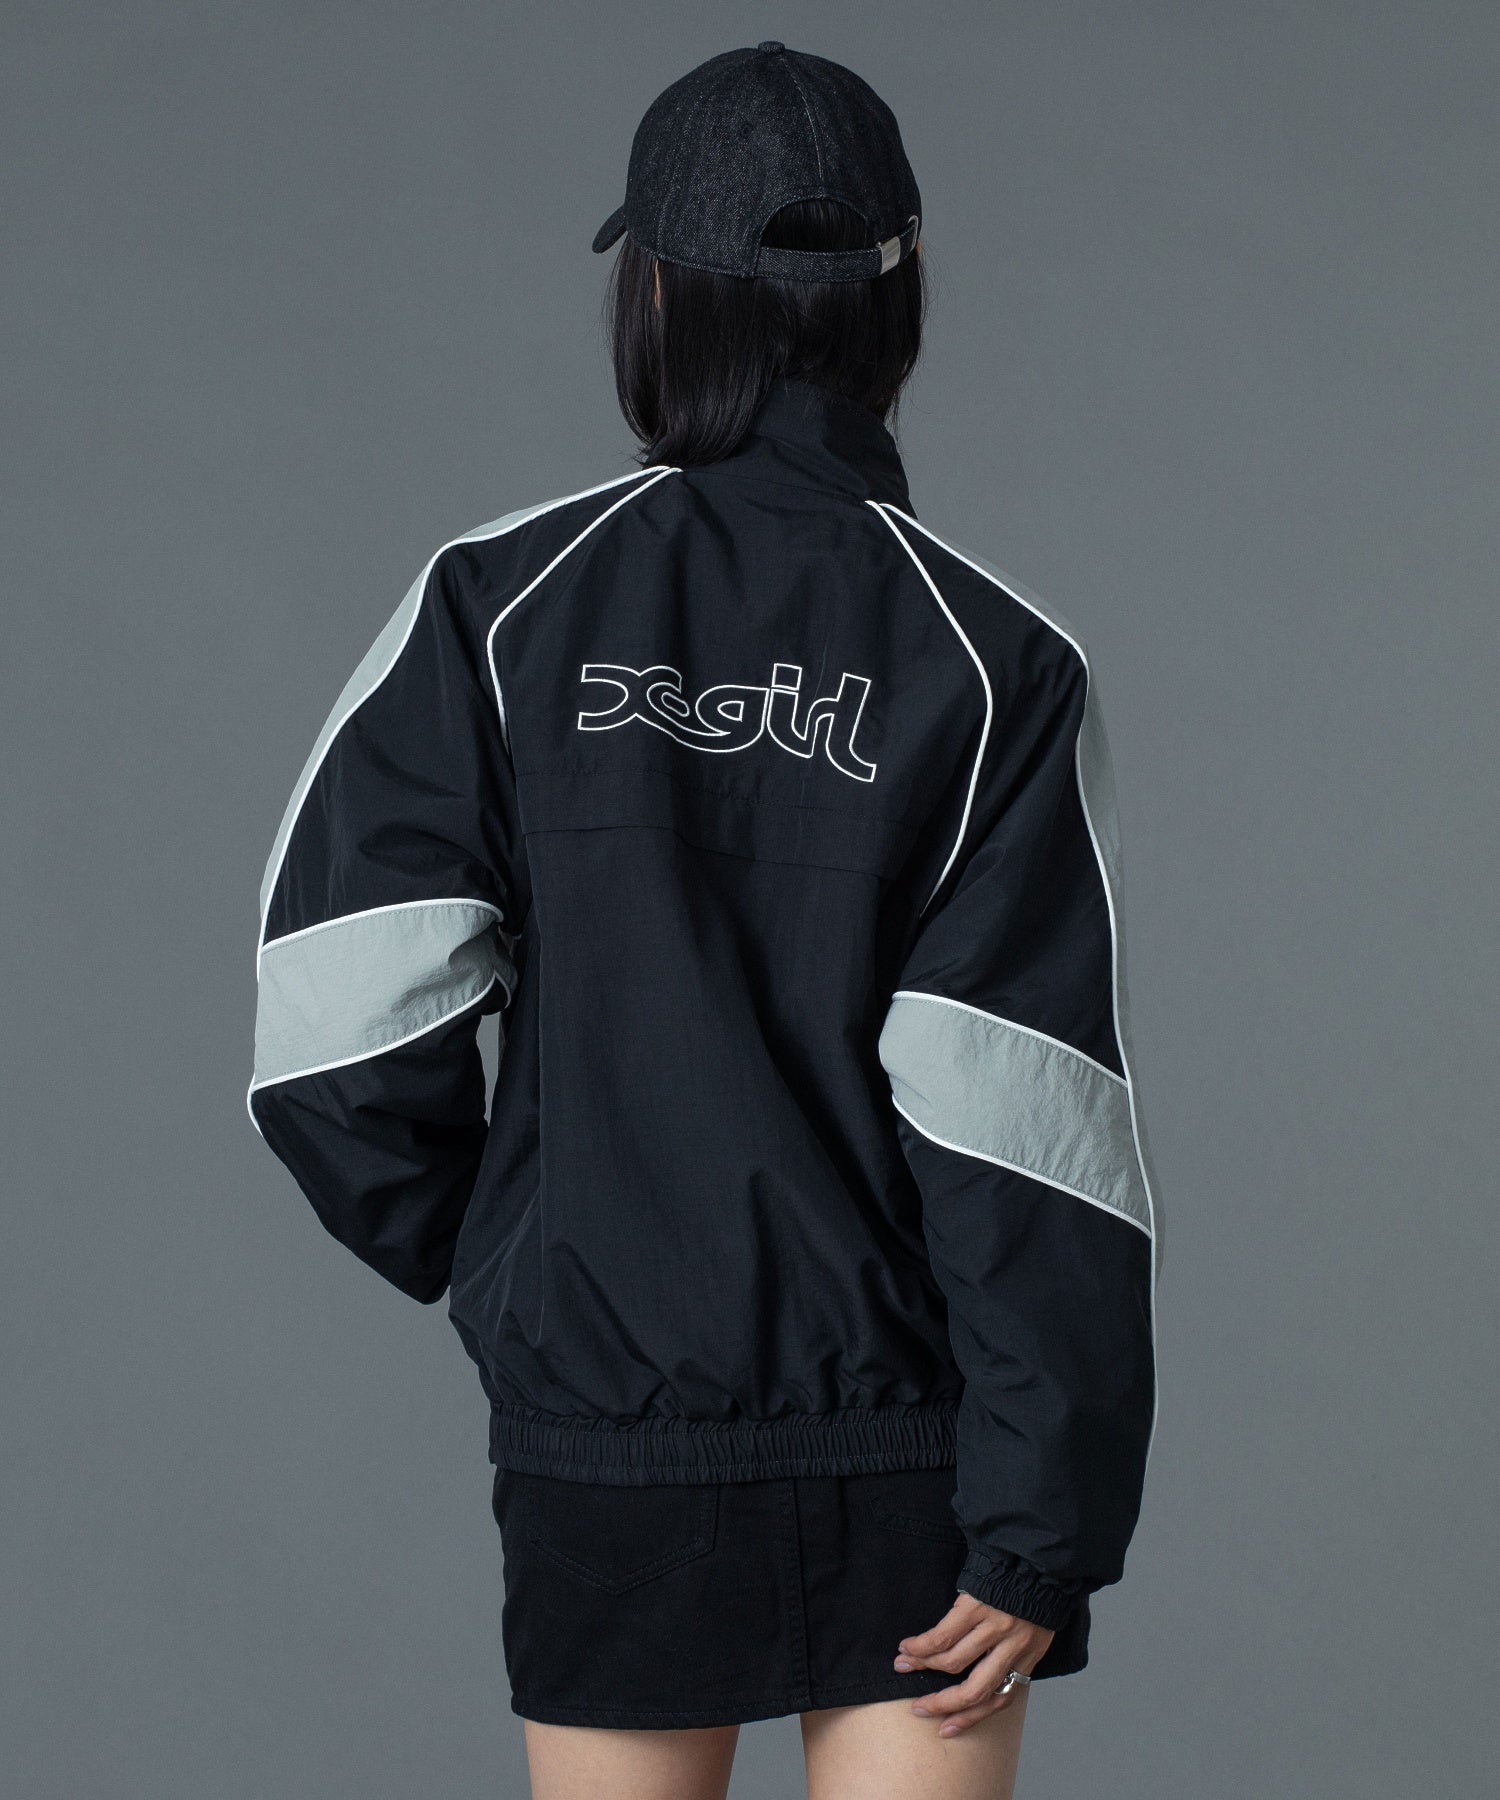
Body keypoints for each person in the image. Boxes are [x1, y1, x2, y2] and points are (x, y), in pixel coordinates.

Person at [248, 40, 1162, 1800]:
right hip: (916, 1451)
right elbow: (1031, 1120)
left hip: (610, 1439)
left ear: (658, 293)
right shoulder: (995, 660)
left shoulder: (502, 606)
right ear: (896, 295)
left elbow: (336, 1034)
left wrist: (528, 1255)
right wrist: (1041, 1523)